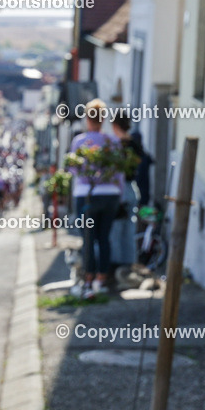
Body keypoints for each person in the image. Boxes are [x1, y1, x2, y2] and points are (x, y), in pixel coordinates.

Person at [68, 99, 122, 299]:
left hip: (87, 194)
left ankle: (89, 279)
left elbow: (73, 169)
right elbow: (119, 172)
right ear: (103, 119)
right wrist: (119, 194)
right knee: (104, 237)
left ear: (87, 119)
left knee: (88, 238)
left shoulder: (80, 141)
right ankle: (102, 278)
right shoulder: (112, 142)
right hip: (110, 195)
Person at [108, 112, 139, 274]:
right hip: (133, 188)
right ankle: (129, 264)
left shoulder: (116, 145)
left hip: (120, 190)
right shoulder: (135, 144)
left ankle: (116, 266)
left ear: (115, 126)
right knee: (129, 229)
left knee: (116, 230)